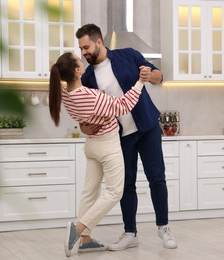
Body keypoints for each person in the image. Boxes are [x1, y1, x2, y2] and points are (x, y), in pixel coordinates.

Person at [75, 23, 177, 250]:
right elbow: (85, 114)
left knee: (156, 178)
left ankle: (164, 228)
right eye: (81, 49)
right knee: (125, 184)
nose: (84, 53)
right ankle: (130, 233)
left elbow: (160, 77)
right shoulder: (88, 78)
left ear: (99, 41)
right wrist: (84, 128)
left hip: (148, 127)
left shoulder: (128, 55)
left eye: (87, 47)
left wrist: (151, 75)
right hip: (119, 137)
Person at [48, 52, 147, 257]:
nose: (83, 60)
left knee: (89, 192)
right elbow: (123, 106)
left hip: (92, 145)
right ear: (77, 70)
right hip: (107, 145)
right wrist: (140, 83)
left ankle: (85, 241)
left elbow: (87, 119)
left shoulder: (66, 94)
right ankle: (78, 230)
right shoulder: (88, 95)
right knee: (114, 191)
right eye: (79, 59)